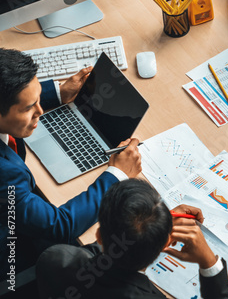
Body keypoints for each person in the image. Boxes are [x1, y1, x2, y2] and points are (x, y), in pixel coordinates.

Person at [0, 47, 142, 276]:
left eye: (38, 100)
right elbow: (60, 226)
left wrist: (58, 92)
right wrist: (117, 175)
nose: (40, 111)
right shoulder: (5, 176)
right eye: (29, 108)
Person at [36, 179, 228, 299]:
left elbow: (97, 255)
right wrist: (208, 262)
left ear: (99, 236)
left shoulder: (54, 258)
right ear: (166, 244)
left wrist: (153, 223)